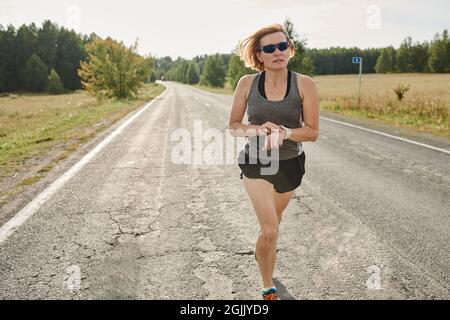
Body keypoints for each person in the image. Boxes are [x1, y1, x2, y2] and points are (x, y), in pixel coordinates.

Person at [227, 23, 319, 300]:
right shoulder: (247, 83)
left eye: (282, 46)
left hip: (290, 164)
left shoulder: (305, 84)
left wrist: (286, 132)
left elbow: (312, 132)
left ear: (290, 50)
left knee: (272, 225)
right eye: (269, 48)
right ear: (260, 55)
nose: (277, 52)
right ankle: (268, 287)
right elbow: (233, 125)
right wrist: (257, 129)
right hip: (256, 163)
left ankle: (263, 251)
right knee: (270, 229)